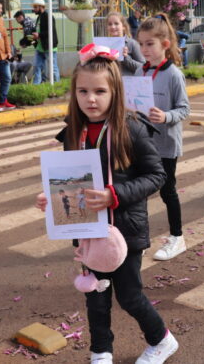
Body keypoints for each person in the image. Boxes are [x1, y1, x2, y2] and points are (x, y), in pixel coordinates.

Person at [36, 45, 177, 363]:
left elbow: (157, 176)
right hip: (87, 229)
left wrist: (116, 195)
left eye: (100, 91)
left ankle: (162, 340)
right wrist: (52, 195)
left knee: (129, 296)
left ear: (115, 91)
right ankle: (101, 352)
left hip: (125, 231)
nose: (91, 99)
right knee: (95, 295)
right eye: (83, 91)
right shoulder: (74, 131)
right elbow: (70, 177)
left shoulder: (133, 129)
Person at [135, 14, 190, 261]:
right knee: (138, 192)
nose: (144, 49)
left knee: (168, 191)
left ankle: (177, 237)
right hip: (142, 143)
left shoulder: (174, 75)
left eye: (150, 44)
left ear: (165, 45)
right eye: (141, 44)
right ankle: (140, 238)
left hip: (166, 145)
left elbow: (184, 109)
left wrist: (166, 116)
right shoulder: (139, 70)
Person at [106, 11, 145, 76]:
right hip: (110, 83)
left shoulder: (132, 43)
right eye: (110, 24)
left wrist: (126, 58)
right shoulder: (104, 45)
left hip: (128, 84)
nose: (112, 27)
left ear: (123, 26)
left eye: (116, 24)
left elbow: (143, 67)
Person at [31, 0, 59, 84]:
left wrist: (39, 35)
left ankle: (57, 86)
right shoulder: (40, 17)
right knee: (36, 66)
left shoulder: (48, 16)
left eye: (35, 7)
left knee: (53, 67)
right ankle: (36, 87)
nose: (34, 9)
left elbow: (50, 31)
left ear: (41, 7)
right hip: (40, 46)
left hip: (49, 46)